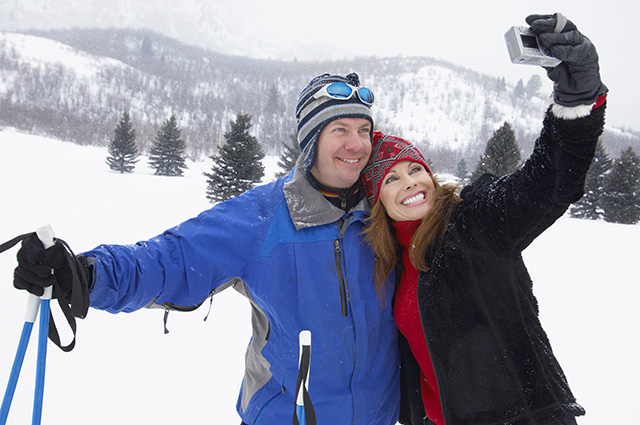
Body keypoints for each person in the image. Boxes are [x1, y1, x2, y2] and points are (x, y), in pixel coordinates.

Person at [12, 73, 402, 424]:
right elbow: (172, 260)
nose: (356, 144)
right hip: (286, 416)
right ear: (312, 139)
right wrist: (85, 273)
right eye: (340, 129)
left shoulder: (387, 210)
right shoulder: (264, 216)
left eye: (364, 130)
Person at [360, 14, 607, 425]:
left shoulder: (475, 222)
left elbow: (548, 184)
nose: (410, 183)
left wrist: (576, 101)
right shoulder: (390, 264)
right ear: (377, 200)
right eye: (391, 178)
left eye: (416, 169)